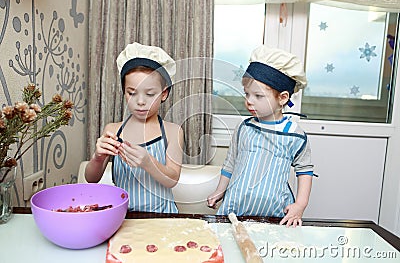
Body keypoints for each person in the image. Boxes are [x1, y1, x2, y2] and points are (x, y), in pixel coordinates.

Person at [207, 45, 315, 227]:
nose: (249, 100)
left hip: (274, 214)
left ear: (282, 98)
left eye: (258, 95)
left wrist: (300, 205)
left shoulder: (295, 135)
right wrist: (220, 190)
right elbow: (231, 163)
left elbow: (304, 171)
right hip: (235, 208)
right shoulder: (244, 128)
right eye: (247, 94)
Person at [85, 42, 184, 213]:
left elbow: (172, 179)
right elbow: (91, 179)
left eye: (150, 94)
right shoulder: (113, 130)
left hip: (163, 216)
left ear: (164, 94)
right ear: (124, 91)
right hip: (122, 216)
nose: (140, 101)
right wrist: (98, 158)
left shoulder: (172, 131)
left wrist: (148, 162)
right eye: (132, 92)